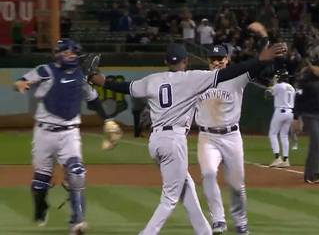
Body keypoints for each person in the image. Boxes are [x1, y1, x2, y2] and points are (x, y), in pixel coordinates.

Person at [89, 28, 287, 235]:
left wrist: (96, 79)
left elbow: (123, 87)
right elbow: (229, 73)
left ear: (166, 62)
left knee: (187, 187)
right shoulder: (193, 78)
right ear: (185, 61)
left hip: (156, 141)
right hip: (174, 141)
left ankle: (204, 231)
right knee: (170, 198)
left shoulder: (151, 80)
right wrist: (260, 59)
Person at [13, 39, 118, 235]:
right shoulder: (46, 70)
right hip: (44, 133)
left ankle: (77, 223)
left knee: (77, 174)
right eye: (67, 52)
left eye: (73, 53)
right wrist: (20, 84)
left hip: (70, 133)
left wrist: (108, 121)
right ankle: (41, 207)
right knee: (40, 183)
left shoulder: (79, 76)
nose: (71, 56)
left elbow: (93, 100)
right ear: (58, 54)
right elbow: (21, 80)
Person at [195, 38, 269, 234]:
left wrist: (264, 51)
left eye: (220, 58)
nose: (217, 62)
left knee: (237, 184)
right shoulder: (198, 79)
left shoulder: (237, 78)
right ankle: (218, 219)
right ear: (208, 61)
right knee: (209, 173)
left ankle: (241, 222)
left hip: (231, 137)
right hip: (207, 137)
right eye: (213, 59)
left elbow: (257, 67)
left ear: (227, 60)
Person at [267, 69, 296, 168]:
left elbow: (268, 93)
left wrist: (273, 82)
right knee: (284, 135)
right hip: (290, 112)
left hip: (280, 111)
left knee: (272, 134)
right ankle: (286, 159)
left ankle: (277, 158)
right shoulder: (292, 87)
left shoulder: (278, 86)